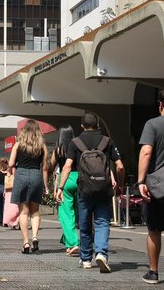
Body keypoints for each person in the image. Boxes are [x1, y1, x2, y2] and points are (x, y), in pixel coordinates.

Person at [57, 112, 124, 273]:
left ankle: (86, 259)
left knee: (85, 224)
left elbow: (67, 166)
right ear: (98, 125)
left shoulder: (75, 142)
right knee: (102, 223)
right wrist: (120, 184)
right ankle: (101, 253)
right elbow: (120, 166)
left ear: (82, 126)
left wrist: (60, 187)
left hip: (85, 190)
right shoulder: (107, 141)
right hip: (104, 189)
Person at [137, 88, 164, 284]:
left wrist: (141, 181)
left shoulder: (152, 124)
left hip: (159, 187)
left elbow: (146, 153)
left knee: (154, 229)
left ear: (160, 105)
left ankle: (153, 272)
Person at [9, 119, 49, 254]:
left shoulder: (18, 144)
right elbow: (44, 168)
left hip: (21, 175)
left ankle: (26, 242)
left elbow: (10, 163)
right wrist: (46, 186)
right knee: (35, 211)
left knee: (23, 212)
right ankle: (35, 237)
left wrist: (12, 169)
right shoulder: (42, 146)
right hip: (36, 175)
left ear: (24, 130)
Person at [49, 125, 79, 256]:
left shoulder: (58, 150)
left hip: (65, 180)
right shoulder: (78, 147)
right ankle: (67, 241)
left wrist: (55, 186)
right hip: (80, 178)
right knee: (77, 213)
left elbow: (50, 167)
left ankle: (73, 243)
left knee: (66, 214)